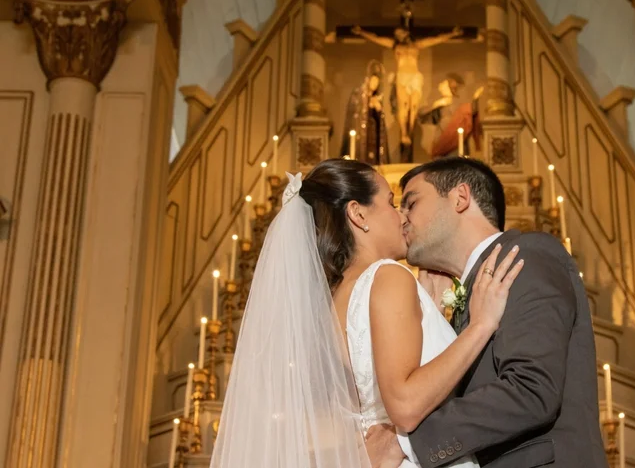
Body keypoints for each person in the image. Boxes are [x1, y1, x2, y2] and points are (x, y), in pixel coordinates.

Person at [209, 158, 523, 467]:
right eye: (390, 202)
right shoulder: (387, 276)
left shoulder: (331, 302)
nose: (401, 216)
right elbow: (405, 404)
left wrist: (433, 316)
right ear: (358, 214)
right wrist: (479, 326)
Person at [367, 157, 607, 468]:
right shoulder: (468, 295)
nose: (402, 218)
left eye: (411, 203)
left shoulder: (526, 256)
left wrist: (407, 444)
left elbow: (531, 389)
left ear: (460, 198)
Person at [351, 25, 462, 151]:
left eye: (400, 33)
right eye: (396, 34)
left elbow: (436, 39)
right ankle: (404, 134)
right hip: (402, 76)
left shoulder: (417, 45)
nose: (398, 36)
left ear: (406, 33)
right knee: (403, 105)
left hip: (415, 76)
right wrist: (362, 32)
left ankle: (410, 131)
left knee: (413, 107)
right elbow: (377, 38)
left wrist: (452, 34)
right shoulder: (395, 46)